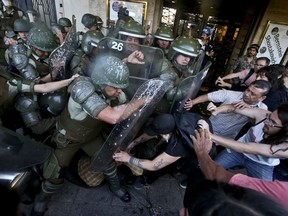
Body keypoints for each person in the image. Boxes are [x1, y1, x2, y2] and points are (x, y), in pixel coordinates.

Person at [31, 56, 149, 215]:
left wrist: (126, 61)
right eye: (115, 87)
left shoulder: (109, 90)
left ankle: (116, 188)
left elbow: (113, 82)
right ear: (102, 82)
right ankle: (41, 200)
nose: (118, 91)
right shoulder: (82, 88)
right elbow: (113, 116)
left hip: (91, 136)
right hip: (69, 139)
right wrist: (143, 100)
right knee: (53, 172)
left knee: (107, 161)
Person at [179, 129, 288, 216]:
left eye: (273, 123)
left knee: (206, 173)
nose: (267, 122)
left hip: (260, 163)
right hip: (238, 153)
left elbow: (246, 148)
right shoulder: (263, 114)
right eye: (269, 118)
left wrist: (202, 151)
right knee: (203, 171)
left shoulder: (284, 149)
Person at [112, 112, 212, 186]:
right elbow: (152, 134)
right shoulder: (174, 118)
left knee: (166, 167)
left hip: (196, 154)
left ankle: (147, 180)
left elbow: (153, 165)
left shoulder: (177, 147)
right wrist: (133, 143)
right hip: (186, 138)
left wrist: (128, 158)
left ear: (165, 134)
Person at [184, 80, 270, 141]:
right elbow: (208, 96)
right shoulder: (231, 94)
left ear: (262, 98)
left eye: (253, 94)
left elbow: (254, 123)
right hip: (208, 129)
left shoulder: (262, 109)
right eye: (248, 90)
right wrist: (193, 102)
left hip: (226, 139)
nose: (247, 94)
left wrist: (249, 109)